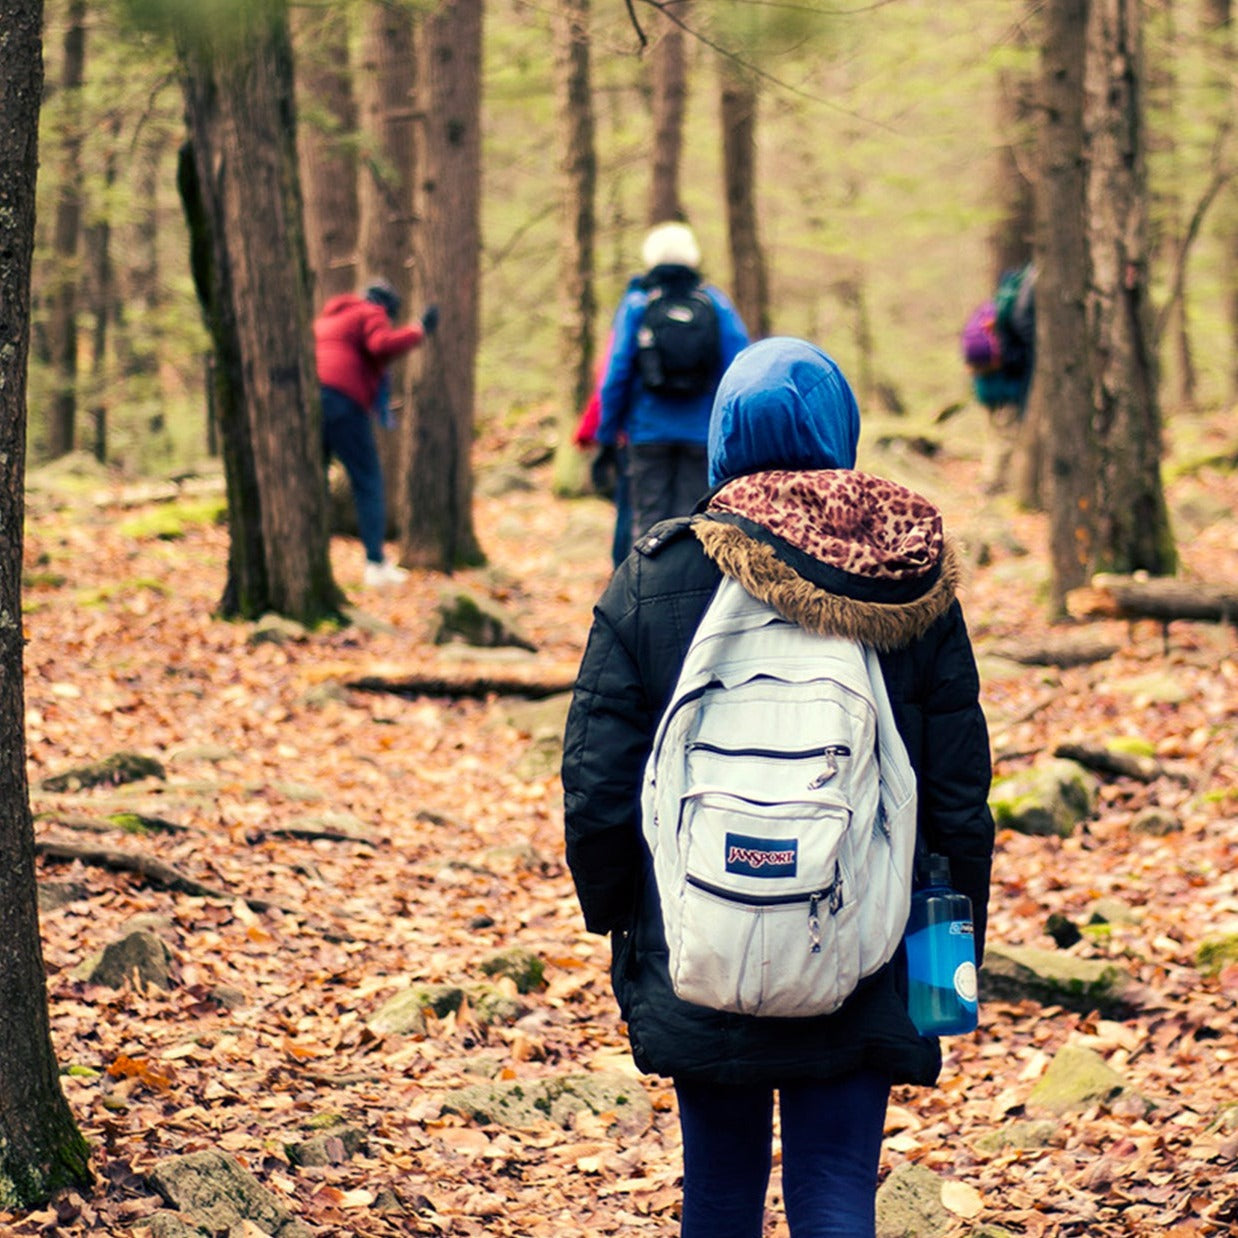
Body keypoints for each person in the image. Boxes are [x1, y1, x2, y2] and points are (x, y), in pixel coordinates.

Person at [562, 337, 995, 1238]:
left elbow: (598, 783)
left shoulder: (653, 576)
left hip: (702, 937)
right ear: (841, 428)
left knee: (717, 1196)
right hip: (869, 950)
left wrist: (626, 925)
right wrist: (943, 977)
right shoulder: (910, 581)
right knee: (837, 1191)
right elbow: (956, 800)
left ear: (722, 435)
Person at [595, 222, 749, 546]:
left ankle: (644, 592)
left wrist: (607, 435)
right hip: (701, 434)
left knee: (649, 524)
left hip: (648, 432)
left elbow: (617, 372)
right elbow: (741, 369)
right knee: (695, 525)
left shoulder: (638, 304)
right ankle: (692, 595)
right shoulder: (714, 304)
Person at [313, 278, 439, 586]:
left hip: (314, 401)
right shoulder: (371, 312)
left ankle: (313, 556)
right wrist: (418, 330)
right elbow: (380, 345)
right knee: (368, 481)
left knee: (315, 480)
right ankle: (375, 564)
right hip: (345, 403)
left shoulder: (330, 318)